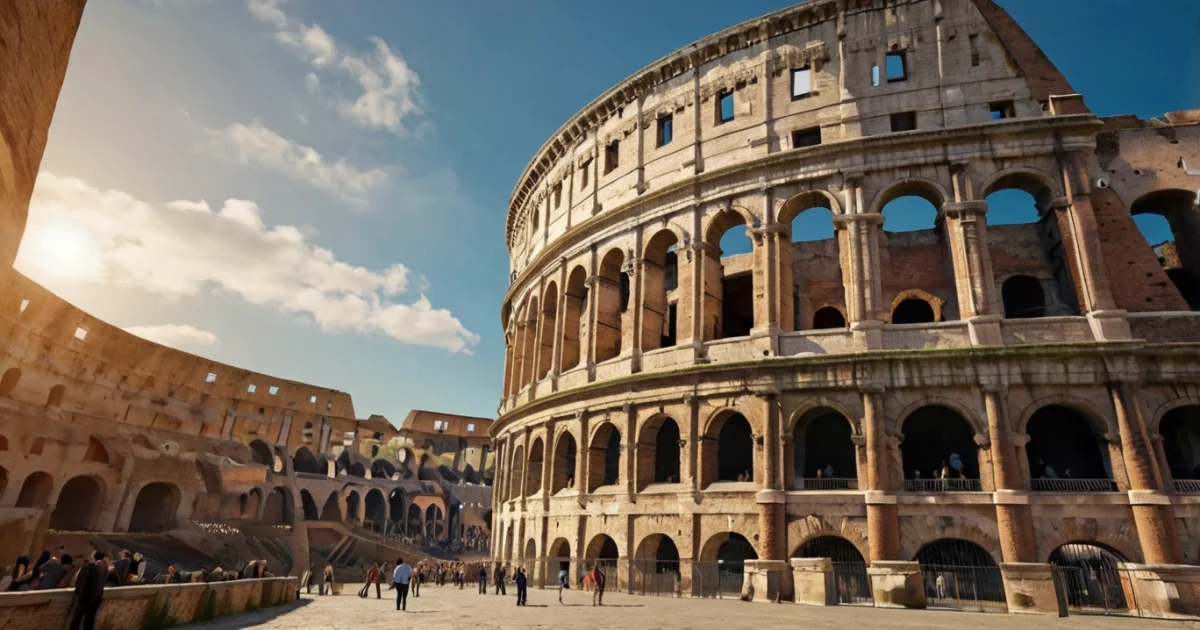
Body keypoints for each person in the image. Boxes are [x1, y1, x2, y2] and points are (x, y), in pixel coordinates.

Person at [69, 552, 107, 630]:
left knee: (77, 618)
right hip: (97, 597)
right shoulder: (105, 567)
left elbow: (80, 583)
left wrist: (78, 593)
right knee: (90, 620)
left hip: (86, 596)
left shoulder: (89, 567)